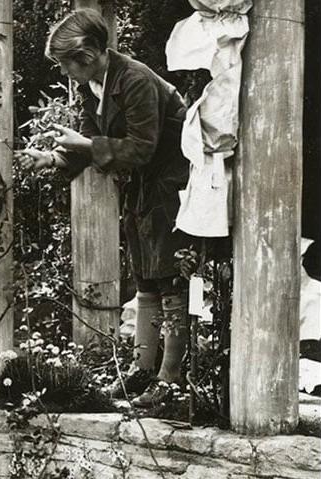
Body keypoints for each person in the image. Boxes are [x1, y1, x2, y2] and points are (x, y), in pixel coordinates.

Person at [16, 8, 194, 406]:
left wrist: (85, 146)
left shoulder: (133, 79)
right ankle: (142, 371)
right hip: (142, 185)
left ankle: (170, 379)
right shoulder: (93, 85)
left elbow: (144, 148)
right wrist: (51, 159)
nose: (64, 73)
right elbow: (89, 141)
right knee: (145, 276)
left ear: (89, 53)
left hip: (170, 183)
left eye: (66, 64)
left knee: (169, 276)